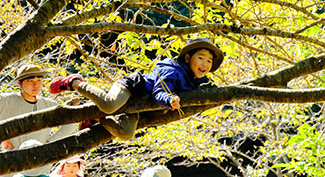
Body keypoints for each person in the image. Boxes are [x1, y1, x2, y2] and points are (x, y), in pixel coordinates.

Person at [49, 37, 224, 140]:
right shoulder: (171, 70)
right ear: (187, 58)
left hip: (139, 107)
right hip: (132, 87)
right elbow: (160, 92)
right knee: (110, 104)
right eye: (201, 58)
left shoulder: (196, 81)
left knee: (126, 134)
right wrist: (169, 100)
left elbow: (210, 90)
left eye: (209, 61)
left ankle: (97, 118)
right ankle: (75, 82)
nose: (205, 64)